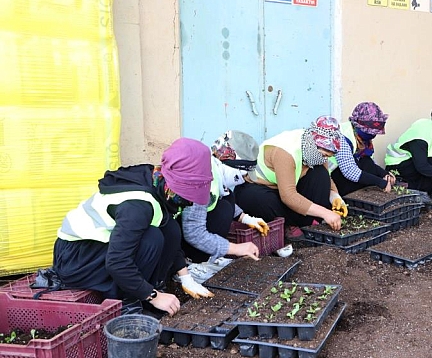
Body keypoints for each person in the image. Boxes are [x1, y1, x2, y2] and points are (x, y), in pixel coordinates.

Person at [52, 138, 215, 317]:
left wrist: (186, 278)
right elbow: (117, 262)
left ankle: (151, 290)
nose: (188, 203)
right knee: (151, 239)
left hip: (100, 249)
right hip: (75, 259)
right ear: (173, 188)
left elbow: (170, 236)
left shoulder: (157, 181)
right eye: (187, 198)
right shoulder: (137, 207)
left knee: (171, 230)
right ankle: (126, 303)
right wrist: (153, 296)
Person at [234, 116, 346, 241]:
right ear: (314, 146)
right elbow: (288, 196)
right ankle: (287, 224)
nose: (325, 159)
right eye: (324, 155)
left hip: (286, 188)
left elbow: (326, 177)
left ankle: (305, 222)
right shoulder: (286, 153)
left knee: (320, 174)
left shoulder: (313, 148)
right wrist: (325, 212)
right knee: (262, 200)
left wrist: (335, 197)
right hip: (259, 188)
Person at [179, 131, 271, 267]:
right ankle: (194, 263)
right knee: (223, 210)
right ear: (232, 167)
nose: (243, 180)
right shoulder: (202, 181)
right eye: (244, 175)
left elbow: (220, 196)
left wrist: (246, 218)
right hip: (178, 236)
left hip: (183, 228)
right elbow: (193, 233)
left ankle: (207, 257)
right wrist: (235, 248)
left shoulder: (213, 167)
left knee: (227, 200)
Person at [384, 105, 432, 200]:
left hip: (413, 164)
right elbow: (422, 166)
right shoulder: (422, 133)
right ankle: (419, 191)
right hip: (399, 167)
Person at [329, 102, 396, 196]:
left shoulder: (363, 139)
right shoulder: (342, 136)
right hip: (328, 178)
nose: (373, 135)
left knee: (366, 161)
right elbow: (350, 171)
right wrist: (380, 183)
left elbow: (369, 163)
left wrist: (384, 174)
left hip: (342, 175)